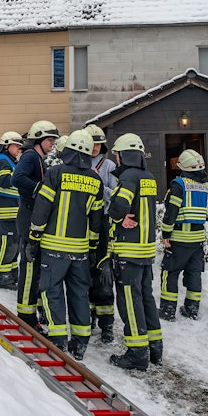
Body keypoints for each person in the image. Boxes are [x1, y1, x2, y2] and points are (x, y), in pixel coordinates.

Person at [27, 129, 103, 360]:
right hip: (80, 251)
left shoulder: (55, 173)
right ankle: (80, 344)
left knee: (52, 291)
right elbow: (96, 219)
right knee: (80, 294)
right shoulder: (95, 179)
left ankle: (58, 339)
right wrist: (92, 247)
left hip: (53, 248)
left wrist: (34, 237)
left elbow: (42, 207)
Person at [107, 133, 163, 371]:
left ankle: (137, 354)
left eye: (117, 155)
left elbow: (120, 205)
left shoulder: (128, 177)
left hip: (128, 251)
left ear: (123, 155)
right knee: (146, 299)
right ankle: (154, 349)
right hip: (145, 251)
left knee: (130, 301)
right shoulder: (148, 177)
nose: (116, 160)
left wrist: (116, 217)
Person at [12, 120, 59, 329]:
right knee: (30, 266)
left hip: (32, 215)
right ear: (38, 139)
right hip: (28, 215)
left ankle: (33, 310)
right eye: (50, 140)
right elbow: (17, 178)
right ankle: (26, 316)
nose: (53, 144)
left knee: (35, 266)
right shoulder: (31, 156)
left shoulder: (40, 159)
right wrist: (39, 189)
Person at [159, 149, 208, 321]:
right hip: (197, 240)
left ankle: (168, 311)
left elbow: (171, 212)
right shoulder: (207, 187)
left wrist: (166, 233)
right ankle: (192, 309)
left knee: (170, 272)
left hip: (179, 239)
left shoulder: (179, 185)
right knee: (194, 273)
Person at [86, 124, 117, 343]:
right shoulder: (77, 164)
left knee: (104, 275)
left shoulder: (108, 166)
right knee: (85, 274)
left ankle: (106, 324)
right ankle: (87, 318)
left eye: (98, 144)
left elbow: (114, 195)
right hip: (83, 224)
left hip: (104, 223)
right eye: (92, 143)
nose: (95, 148)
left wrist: (98, 183)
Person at [0, 131, 23, 289]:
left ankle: (12, 275)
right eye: (16, 146)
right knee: (7, 245)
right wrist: (21, 176)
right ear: (6, 145)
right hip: (6, 210)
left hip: (12, 210)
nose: (18, 149)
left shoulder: (9, 160)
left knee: (14, 245)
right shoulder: (3, 161)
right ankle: (2, 277)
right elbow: (4, 181)